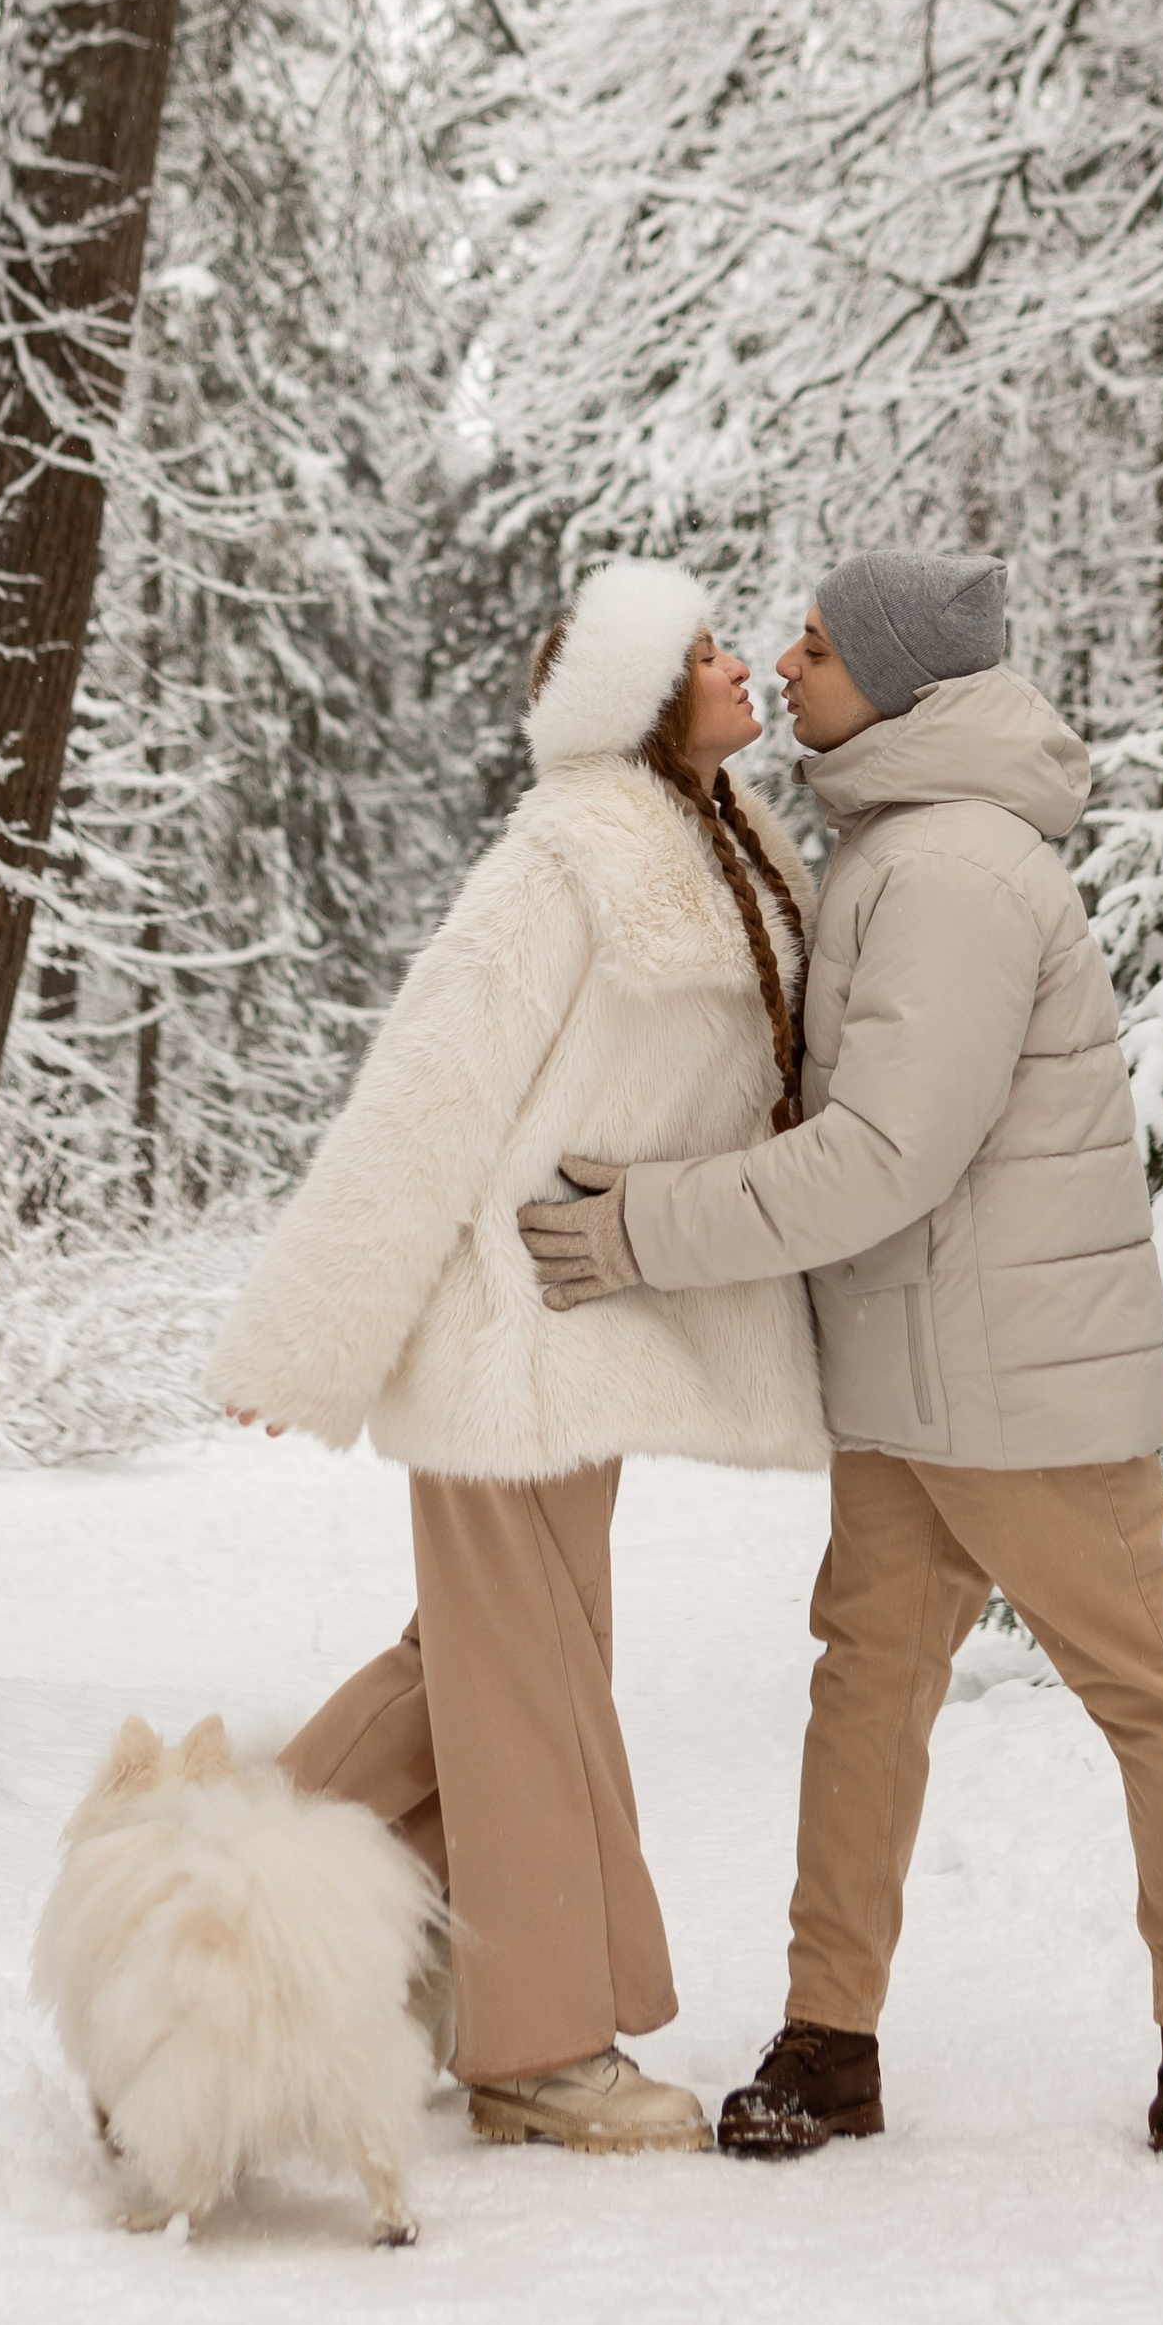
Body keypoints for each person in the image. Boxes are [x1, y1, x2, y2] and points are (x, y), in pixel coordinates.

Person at [521, 549, 1163, 2159]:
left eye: (818, 643)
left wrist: (646, 1228)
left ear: (900, 681)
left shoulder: (951, 874)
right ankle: (829, 2040)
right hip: (910, 1380)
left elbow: (885, 1157)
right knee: (865, 1696)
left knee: (1148, 1696)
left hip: (1026, 1394)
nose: (788, 663)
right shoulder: (893, 846)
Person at [205, 556, 827, 2153]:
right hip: (499, 1334)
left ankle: (211, 1911)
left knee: (470, 1676)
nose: (740, 664)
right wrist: (311, 1336)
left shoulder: (730, 847)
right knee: (527, 1687)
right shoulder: (564, 857)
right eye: (705, 652)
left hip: (584, 1336)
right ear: (643, 699)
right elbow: (432, 1089)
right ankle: (539, 2054)